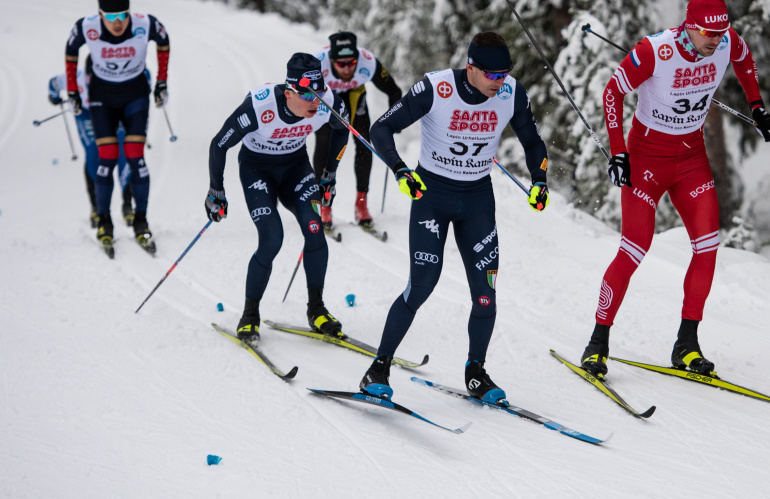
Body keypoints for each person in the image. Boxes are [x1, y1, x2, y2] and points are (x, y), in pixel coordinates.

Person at [579, 0, 770, 378]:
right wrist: (618, 152)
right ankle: (597, 343)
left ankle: (687, 343)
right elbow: (612, 92)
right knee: (634, 249)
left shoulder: (727, 41)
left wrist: (757, 107)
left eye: (720, 33)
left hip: (690, 157)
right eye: (707, 32)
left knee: (707, 246)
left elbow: (744, 59)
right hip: (647, 157)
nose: (715, 40)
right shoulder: (656, 51)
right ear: (689, 25)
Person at [359, 31, 549, 402]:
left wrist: (540, 180)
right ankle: (378, 367)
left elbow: (533, 141)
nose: (500, 81)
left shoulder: (512, 93)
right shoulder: (437, 88)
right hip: (432, 196)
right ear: (471, 67)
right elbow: (381, 128)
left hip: (477, 200)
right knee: (422, 285)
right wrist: (400, 170)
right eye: (492, 74)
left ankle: (475, 372)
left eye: (505, 73)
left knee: (486, 296)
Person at [206, 53, 351, 345]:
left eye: (319, 93)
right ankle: (250, 314)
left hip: (295, 169)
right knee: (272, 238)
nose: (315, 102)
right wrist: (216, 192)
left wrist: (329, 175)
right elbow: (219, 144)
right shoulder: (260, 107)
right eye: (307, 95)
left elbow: (342, 131)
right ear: (288, 92)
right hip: (257, 170)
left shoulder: (328, 102)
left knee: (314, 228)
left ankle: (316, 309)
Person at [64, 0, 170, 254]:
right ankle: (104, 221)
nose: (118, 22)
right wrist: (73, 91)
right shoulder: (86, 27)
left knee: (136, 157)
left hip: (135, 95)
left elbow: (164, 41)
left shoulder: (144, 24)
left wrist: (161, 82)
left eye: (123, 15)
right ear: (100, 15)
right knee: (106, 159)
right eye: (110, 17)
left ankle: (141, 221)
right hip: (102, 98)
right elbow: (71, 51)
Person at [312, 31, 402, 232]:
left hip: (355, 98)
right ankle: (323, 205)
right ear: (331, 60)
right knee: (325, 144)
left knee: (364, 144)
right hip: (328, 100)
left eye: (351, 62)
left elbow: (394, 91)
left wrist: (393, 122)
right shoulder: (317, 64)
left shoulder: (368, 61)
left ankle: (361, 202)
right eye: (341, 64)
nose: (347, 68)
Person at [48, 55, 137, 227]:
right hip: (87, 114)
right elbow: (52, 84)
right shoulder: (73, 79)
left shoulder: (117, 77)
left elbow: (144, 76)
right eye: (91, 77)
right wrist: (54, 97)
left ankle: (128, 205)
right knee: (93, 153)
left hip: (112, 113)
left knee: (123, 152)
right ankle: (97, 208)